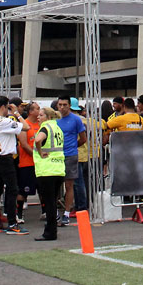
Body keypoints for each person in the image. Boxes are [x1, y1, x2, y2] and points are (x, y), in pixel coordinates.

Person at [0, 96, 29, 235]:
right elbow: (26, 127)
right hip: (5, 157)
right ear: (3, 107)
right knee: (12, 190)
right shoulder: (4, 121)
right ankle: (12, 223)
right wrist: (16, 113)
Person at [33, 107, 65, 241]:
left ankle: (50, 232)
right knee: (53, 201)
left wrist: (40, 152)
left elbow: (37, 140)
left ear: (48, 117)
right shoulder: (57, 128)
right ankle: (52, 229)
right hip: (59, 169)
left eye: (41, 115)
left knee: (49, 203)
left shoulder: (45, 128)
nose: (38, 117)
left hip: (47, 170)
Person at [55, 95, 87, 227]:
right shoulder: (54, 119)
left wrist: (72, 146)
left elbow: (83, 138)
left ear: (69, 106)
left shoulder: (76, 120)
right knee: (55, 185)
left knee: (70, 185)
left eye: (65, 105)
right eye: (60, 105)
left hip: (70, 156)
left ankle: (67, 213)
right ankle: (55, 212)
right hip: (55, 156)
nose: (62, 107)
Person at [16, 102, 42, 227]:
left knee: (42, 188)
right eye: (37, 109)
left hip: (40, 163)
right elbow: (24, 144)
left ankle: (45, 211)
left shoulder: (41, 125)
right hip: (27, 163)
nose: (39, 111)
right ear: (31, 111)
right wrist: (36, 155)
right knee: (23, 190)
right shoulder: (24, 125)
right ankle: (19, 214)